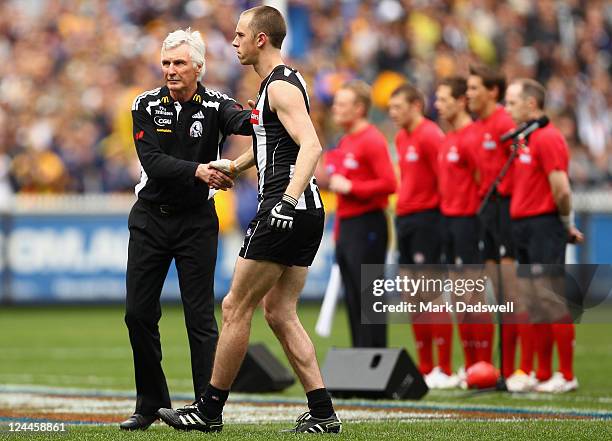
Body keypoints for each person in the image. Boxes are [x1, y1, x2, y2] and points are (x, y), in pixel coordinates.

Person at [157, 6, 342, 433]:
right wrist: (235, 167)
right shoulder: (278, 85)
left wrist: (285, 202)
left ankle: (209, 410)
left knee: (234, 306)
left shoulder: (278, 87)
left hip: (285, 208)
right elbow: (271, 144)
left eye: (240, 35)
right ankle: (322, 411)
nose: (234, 42)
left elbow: (311, 147)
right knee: (279, 311)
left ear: (261, 39)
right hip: (304, 210)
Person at [120, 28, 251, 431]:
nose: (171, 70)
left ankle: (205, 409)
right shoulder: (145, 104)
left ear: (199, 67)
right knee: (138, 314)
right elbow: (153, 161)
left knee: (200, 317)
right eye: (166, 63)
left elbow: (246, 123)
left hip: (196, 222)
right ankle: (150, 403)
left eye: (179, 63)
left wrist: (267, 110)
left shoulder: (215, 104)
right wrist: (200, 171)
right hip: (150, 219)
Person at [505, 78, 584, 393]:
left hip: (543, 225)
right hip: (523, 226)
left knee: (549, 298)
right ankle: (542, 373)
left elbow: (561, 188)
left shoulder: (548, 138)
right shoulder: (526, 139)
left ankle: (565, 375)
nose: (507, 109)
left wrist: (565, 224)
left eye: (512, 102)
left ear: (531, 104)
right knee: (533, 301)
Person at [327, 80, 396, 348]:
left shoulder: (372, 139)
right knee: (353, 296)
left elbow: (390, 184)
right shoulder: (345, 140)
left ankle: (375, 360)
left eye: (342, 104)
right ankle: (360, 360)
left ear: (359, 108)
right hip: (348, 226)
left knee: (369, 296)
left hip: (368, 223)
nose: (335, 108)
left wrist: (352, 186)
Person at [388, 84, 447, 387]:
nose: (392, 113)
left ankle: (445, 368)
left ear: (416, 105)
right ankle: (426, 365)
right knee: (413, 296)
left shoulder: (430, 135)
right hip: (406, 219)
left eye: (398, 107)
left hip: (428, 219)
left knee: (432, 293)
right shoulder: (401, 137)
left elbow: (445, 179)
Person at [466, 65, 516, 376]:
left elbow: (519, 165)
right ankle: (498, 368)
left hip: (506, 210)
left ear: (492, 92)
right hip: (486, 211)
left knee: (509, 295)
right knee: (493, 295)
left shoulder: (504, 123)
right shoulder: (480, 125)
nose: (468, 94)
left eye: (473, 88)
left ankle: (515, 370)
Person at [434, 76, 481, 388]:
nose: (437, 105)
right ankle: (469, 366)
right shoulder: (448, 137)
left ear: (461, 101)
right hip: (448, 220)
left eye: (444, 99)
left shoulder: (472, 137)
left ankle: (482, 364)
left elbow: (484, 181)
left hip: (468, 222)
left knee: (472, 297)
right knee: (458, 298)